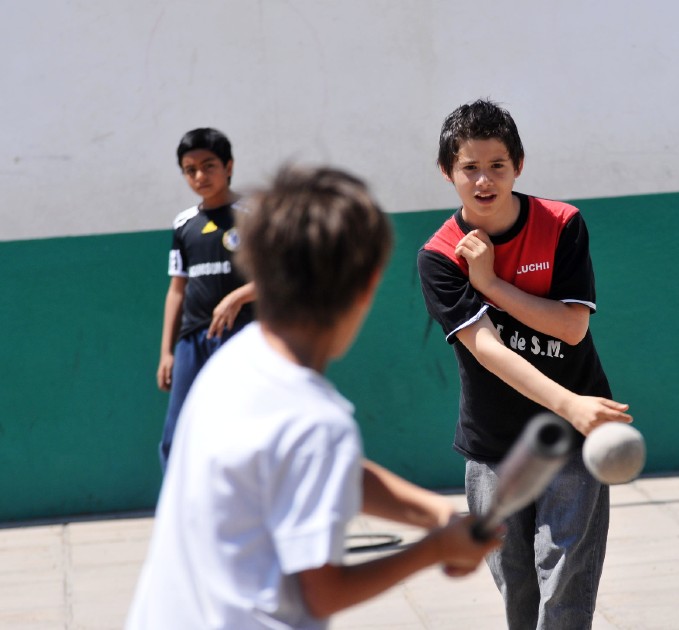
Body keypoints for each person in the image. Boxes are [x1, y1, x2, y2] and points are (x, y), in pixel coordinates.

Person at [127, 165, 499, 629]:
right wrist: (435, 550)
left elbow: (318, 468)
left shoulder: (234, 359)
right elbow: (323, 593)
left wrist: (435, 513)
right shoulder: (316, 421)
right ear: (366, 290)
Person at [417, 99, 633, 629]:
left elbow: (571, 326)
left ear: (518, 165)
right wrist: (571, 404)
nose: (484, 180)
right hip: (495, 448)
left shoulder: (562, 225)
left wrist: (490, 284)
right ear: (448, 172)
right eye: (470, 167)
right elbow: (486, 349)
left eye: (497, 166)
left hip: (573, 436)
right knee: (519, 596)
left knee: (564, 591)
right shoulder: (439, 256)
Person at [157, 127, 256, 470]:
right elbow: (176, 290)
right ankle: (185, 519)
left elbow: (281, 277)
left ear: (229, 166)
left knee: (243, 430)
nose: (200, 175)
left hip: (242, 338)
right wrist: (167, 351)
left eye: (209, 165)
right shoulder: (184, 224)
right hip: (192, 342)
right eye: (190, 169)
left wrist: (238, 298)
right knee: (178, 438)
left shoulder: (253, 215)